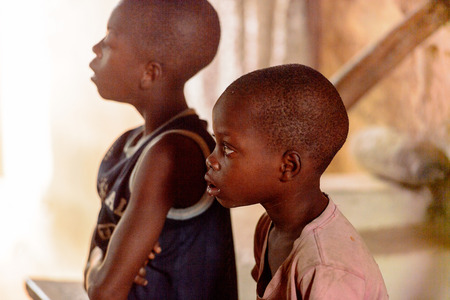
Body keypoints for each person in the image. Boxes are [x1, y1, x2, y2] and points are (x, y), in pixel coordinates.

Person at [83, 1, 238, 299]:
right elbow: (97, 255)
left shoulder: (173, 153)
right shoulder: (129, 144)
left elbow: (104, 291)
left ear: (150, 73)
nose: (95, 49)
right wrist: (100, 265)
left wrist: (101, 268)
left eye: (110, 41)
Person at [205, 64, 389, 299]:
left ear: (288, 167)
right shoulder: (269, 227)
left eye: (227, 149)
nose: (212, 160)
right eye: (216, 143)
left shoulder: (326, 269)